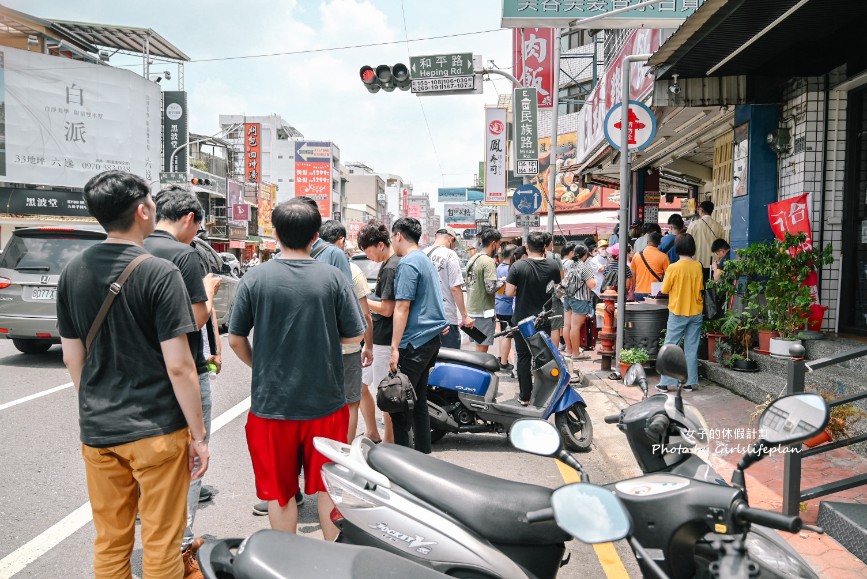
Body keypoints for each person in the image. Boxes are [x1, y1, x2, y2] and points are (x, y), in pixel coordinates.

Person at [57, 171, 209, 579]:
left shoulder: (72, 272)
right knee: (161, 541)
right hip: (156, 429)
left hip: (99, 431)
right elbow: (180, 366)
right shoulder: (160, 273)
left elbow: (74, 359)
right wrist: (198, 435)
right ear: (143, 211)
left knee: (110, 541)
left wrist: (97, 401)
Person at [229, 199, 365, 540]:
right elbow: (355, 333)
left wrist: (260, 364)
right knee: (328, 491)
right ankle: (332, 562)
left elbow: (234, 339)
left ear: (275, 234)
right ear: (315, 236)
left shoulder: (255, 278)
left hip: (271, 407)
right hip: (326, 404)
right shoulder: (334, 278)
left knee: (282, 493)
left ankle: (286, 564)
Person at [143, 186, 222, 577]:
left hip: (136, 374)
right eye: (198, 226)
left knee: (150, 463)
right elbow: (196, 319)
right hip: (180, 369)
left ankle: (156, 541)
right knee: (192, 458)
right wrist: (207, 294)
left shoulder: (133, 247)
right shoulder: (183, 255)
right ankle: (182, 546)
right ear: (189, 219)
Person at [388, 217, 448, 453]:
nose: (393, 242)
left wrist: (394, 348)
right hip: (429, 340)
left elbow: (402, 307)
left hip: (413, 342)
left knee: (399, 402)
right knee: (419, 401)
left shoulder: (408, 263)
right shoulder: (423, 259)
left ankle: (403, 461)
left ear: (399, 235)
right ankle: (423, 454)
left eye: (393, 237)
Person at [318, 220, 375, 443]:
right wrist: (368, 346)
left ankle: (319, 447)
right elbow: (365, 314)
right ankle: (345, 450)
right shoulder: (352, 270)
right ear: (341, 240)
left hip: (318, 347)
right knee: (351, 401)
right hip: (348, 347)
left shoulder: (308, 264)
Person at [505, 231, 562, 406]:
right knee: (542, 356)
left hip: (522, 319)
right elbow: (557, 289)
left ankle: (525, 396)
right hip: (543, 318)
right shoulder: (553, 265)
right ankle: (543, 394)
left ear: (527, 247)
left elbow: (509, 292)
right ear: (544, 247)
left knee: (523, 356)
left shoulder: (518, 266)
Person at [358, 220, 400, 445]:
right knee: (361, 385)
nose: (368, 256)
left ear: (381, 245)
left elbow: (387, 309)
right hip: (376, 338)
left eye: (368, 251)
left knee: (385, 393)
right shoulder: (388, 264)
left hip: (384, 339)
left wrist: (362, 302)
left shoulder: (391, 266)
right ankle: (373, 432)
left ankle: (389, 443)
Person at [656, 234, 705, 393]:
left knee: (671, 345)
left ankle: (665, 383)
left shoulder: (673, 267)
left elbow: (664, 289)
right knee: (691, 347)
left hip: (678, 311)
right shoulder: (698, 265)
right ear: (693, 248)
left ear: (677, 248)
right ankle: (690, 383)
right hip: (696, 311)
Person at [423, 227, 472, 349]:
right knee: (450, 361)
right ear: (451, 239)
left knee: (428, 361)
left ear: (436, 237)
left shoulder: (422, 254)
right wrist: (465, 316)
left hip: (424, 319)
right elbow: (455, 288)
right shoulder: (450, 254)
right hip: (446, 317)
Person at [465, 227, 502, 353]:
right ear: (493, 244)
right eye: (499, 244)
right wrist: (503, 281)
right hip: (483, 312)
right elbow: (490, 288)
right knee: (481, 352)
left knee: (478, 347)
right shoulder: (488, 261)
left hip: (472, 311)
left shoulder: (473, 258)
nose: (499, 247)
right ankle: (478, 372)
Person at [564, 245, 596, 366]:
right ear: (585, 254)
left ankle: (569, 350)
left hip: (567, 296)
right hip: (579, 298)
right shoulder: (584, 267)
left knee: (567, 325)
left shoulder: (568, 264)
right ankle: (576, 353)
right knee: (576, 326)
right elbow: (591, 284)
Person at [686, 200, 724, 281]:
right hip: (714, 264)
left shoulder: (694, 224)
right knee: (710, 289)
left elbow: (687, 241)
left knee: (698, 288)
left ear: (701, 211)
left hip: (697, 262)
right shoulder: (719, 226)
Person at [495, 244, 517, 371]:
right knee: (508, 335)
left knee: (503, 333)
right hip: (507, 305)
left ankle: (501, 357)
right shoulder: (509, 269)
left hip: (500, 304)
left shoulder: (499, 267)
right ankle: (504, 362)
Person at [630, 232, 670, 302]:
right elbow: (668, 276)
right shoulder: (664, 257)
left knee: (639, 312)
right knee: (654, 313)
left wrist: (634, 288)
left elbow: (633, 274)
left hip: (639, 291)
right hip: (655, 292)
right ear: (659, 243)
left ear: (647, 242)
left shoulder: (637, 255)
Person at [559, 243, 577, 358]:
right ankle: (572, 348)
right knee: (573, 325)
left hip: (563, 294)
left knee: (566, 325)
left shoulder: (560, 262)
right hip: (572, 294)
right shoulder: (571, 263)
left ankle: (568, 349)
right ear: (571, 252)